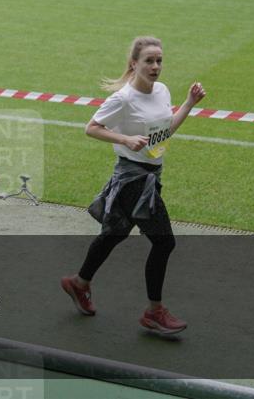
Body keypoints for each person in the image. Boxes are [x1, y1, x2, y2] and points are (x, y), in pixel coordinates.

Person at [60, 36, 205, 336]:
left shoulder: (162, 91)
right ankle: (154, 312)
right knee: (164, 242)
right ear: (134, 64)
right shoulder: (123, 99)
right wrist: (125, 139)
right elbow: (92, 128)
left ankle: (79, 283)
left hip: (151, 173)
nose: (155, 67)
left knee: (114, 233)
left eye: (159, 61)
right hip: (133, 178)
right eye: (149, 61)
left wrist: (189, 104)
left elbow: (164, 133)